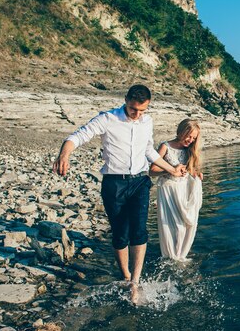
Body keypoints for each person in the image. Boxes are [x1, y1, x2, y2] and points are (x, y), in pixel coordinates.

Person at [52, 84, 186, 302]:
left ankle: (135, 281)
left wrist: (172, 169)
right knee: (120, 233)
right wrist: (64, 155)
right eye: (134, 109)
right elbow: (78, 136)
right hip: (114, 183)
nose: (137, 114)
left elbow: (148, 150)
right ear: (126, 100)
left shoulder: (147, 122)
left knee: (139, 231)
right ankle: (125, 275)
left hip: (140, 182)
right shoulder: (108, 119)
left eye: (143, 110)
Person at [150, 119, 203, 262]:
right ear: (181, 131)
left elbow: (189, 170)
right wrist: (171, 171)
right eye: (188, 136)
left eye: (193, 138)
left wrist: (196, 173)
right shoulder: (165, 146)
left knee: (186, 225)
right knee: (175, 227)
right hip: (168, 189)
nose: (190, 140)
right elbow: (152, 171)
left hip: (183, 189)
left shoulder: (189, 149)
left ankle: (179, 255)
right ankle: (171, 256)